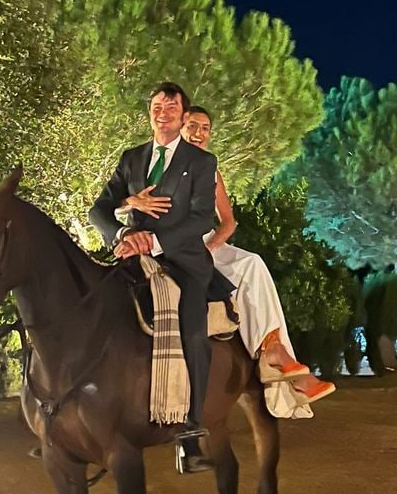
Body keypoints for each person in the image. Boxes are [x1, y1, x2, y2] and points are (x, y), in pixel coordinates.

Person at [88, 82, 232, 472]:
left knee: (192, 331)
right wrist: (123, 224)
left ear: (183, 116)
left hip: (183, 261)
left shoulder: (202, 163)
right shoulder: (132, 158)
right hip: (131, 254)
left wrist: (151, 240)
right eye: (157, 104)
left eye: (172, 105)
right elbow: (97, 210)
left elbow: (202, 218)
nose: (163, 110)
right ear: (149, 112)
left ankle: (191, 432)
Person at [180, 105, 335, 408]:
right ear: (180, 127)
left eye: (205, 128)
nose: (199, 133)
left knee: (253, 263)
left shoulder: (211, 170)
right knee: (243, 269)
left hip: (204, 244)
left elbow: (228, 222)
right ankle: (277, 359)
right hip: (174, 244)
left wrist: (210, 247)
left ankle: (274, 351)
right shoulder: (165, 165)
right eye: (193, 126)